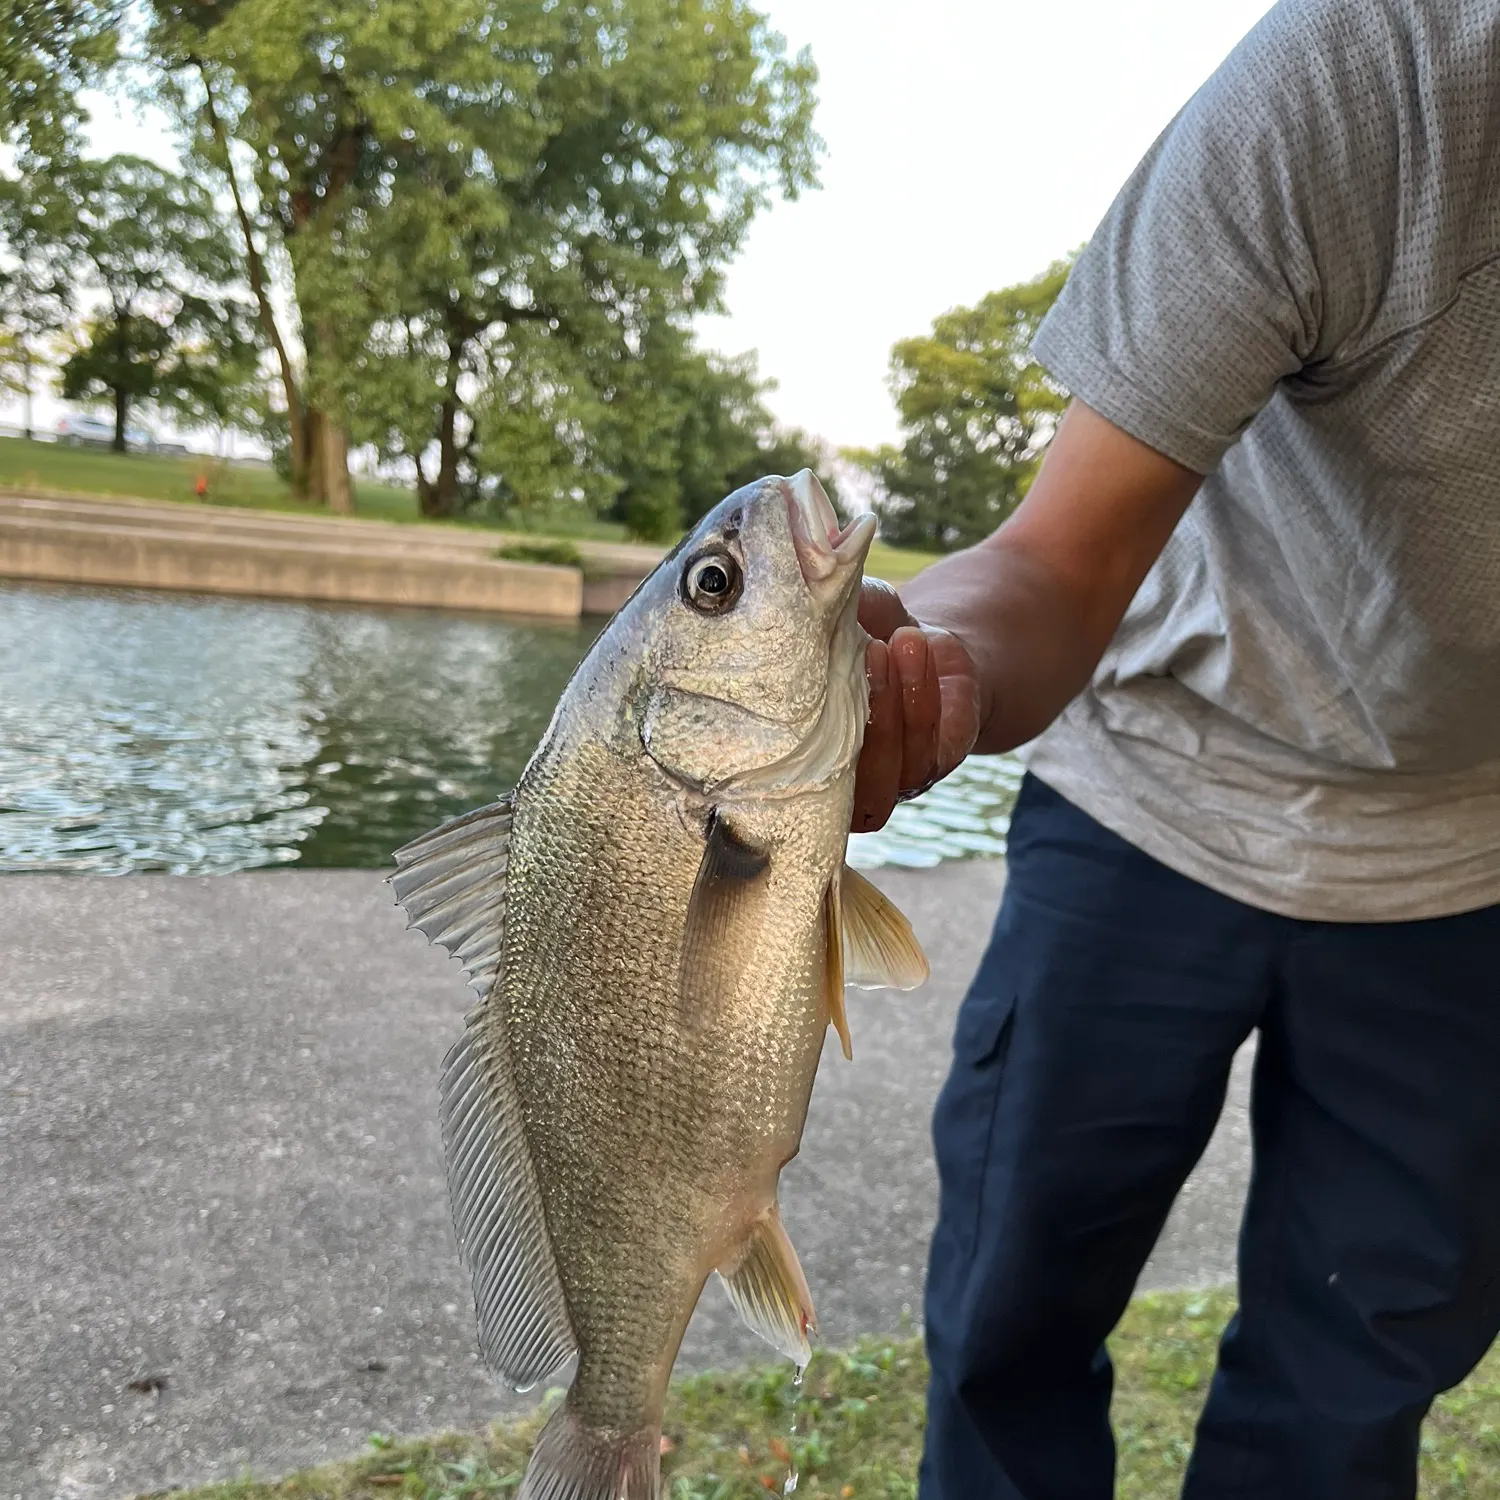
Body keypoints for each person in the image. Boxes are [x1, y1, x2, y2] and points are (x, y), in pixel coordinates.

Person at [850, 1, 1500, 1496]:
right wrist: (907, 668)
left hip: (1467, 861)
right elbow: (1058, 565)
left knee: (1349, 1403)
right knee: (1011, 1320)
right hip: (1153, 785)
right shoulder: (1364, 73)